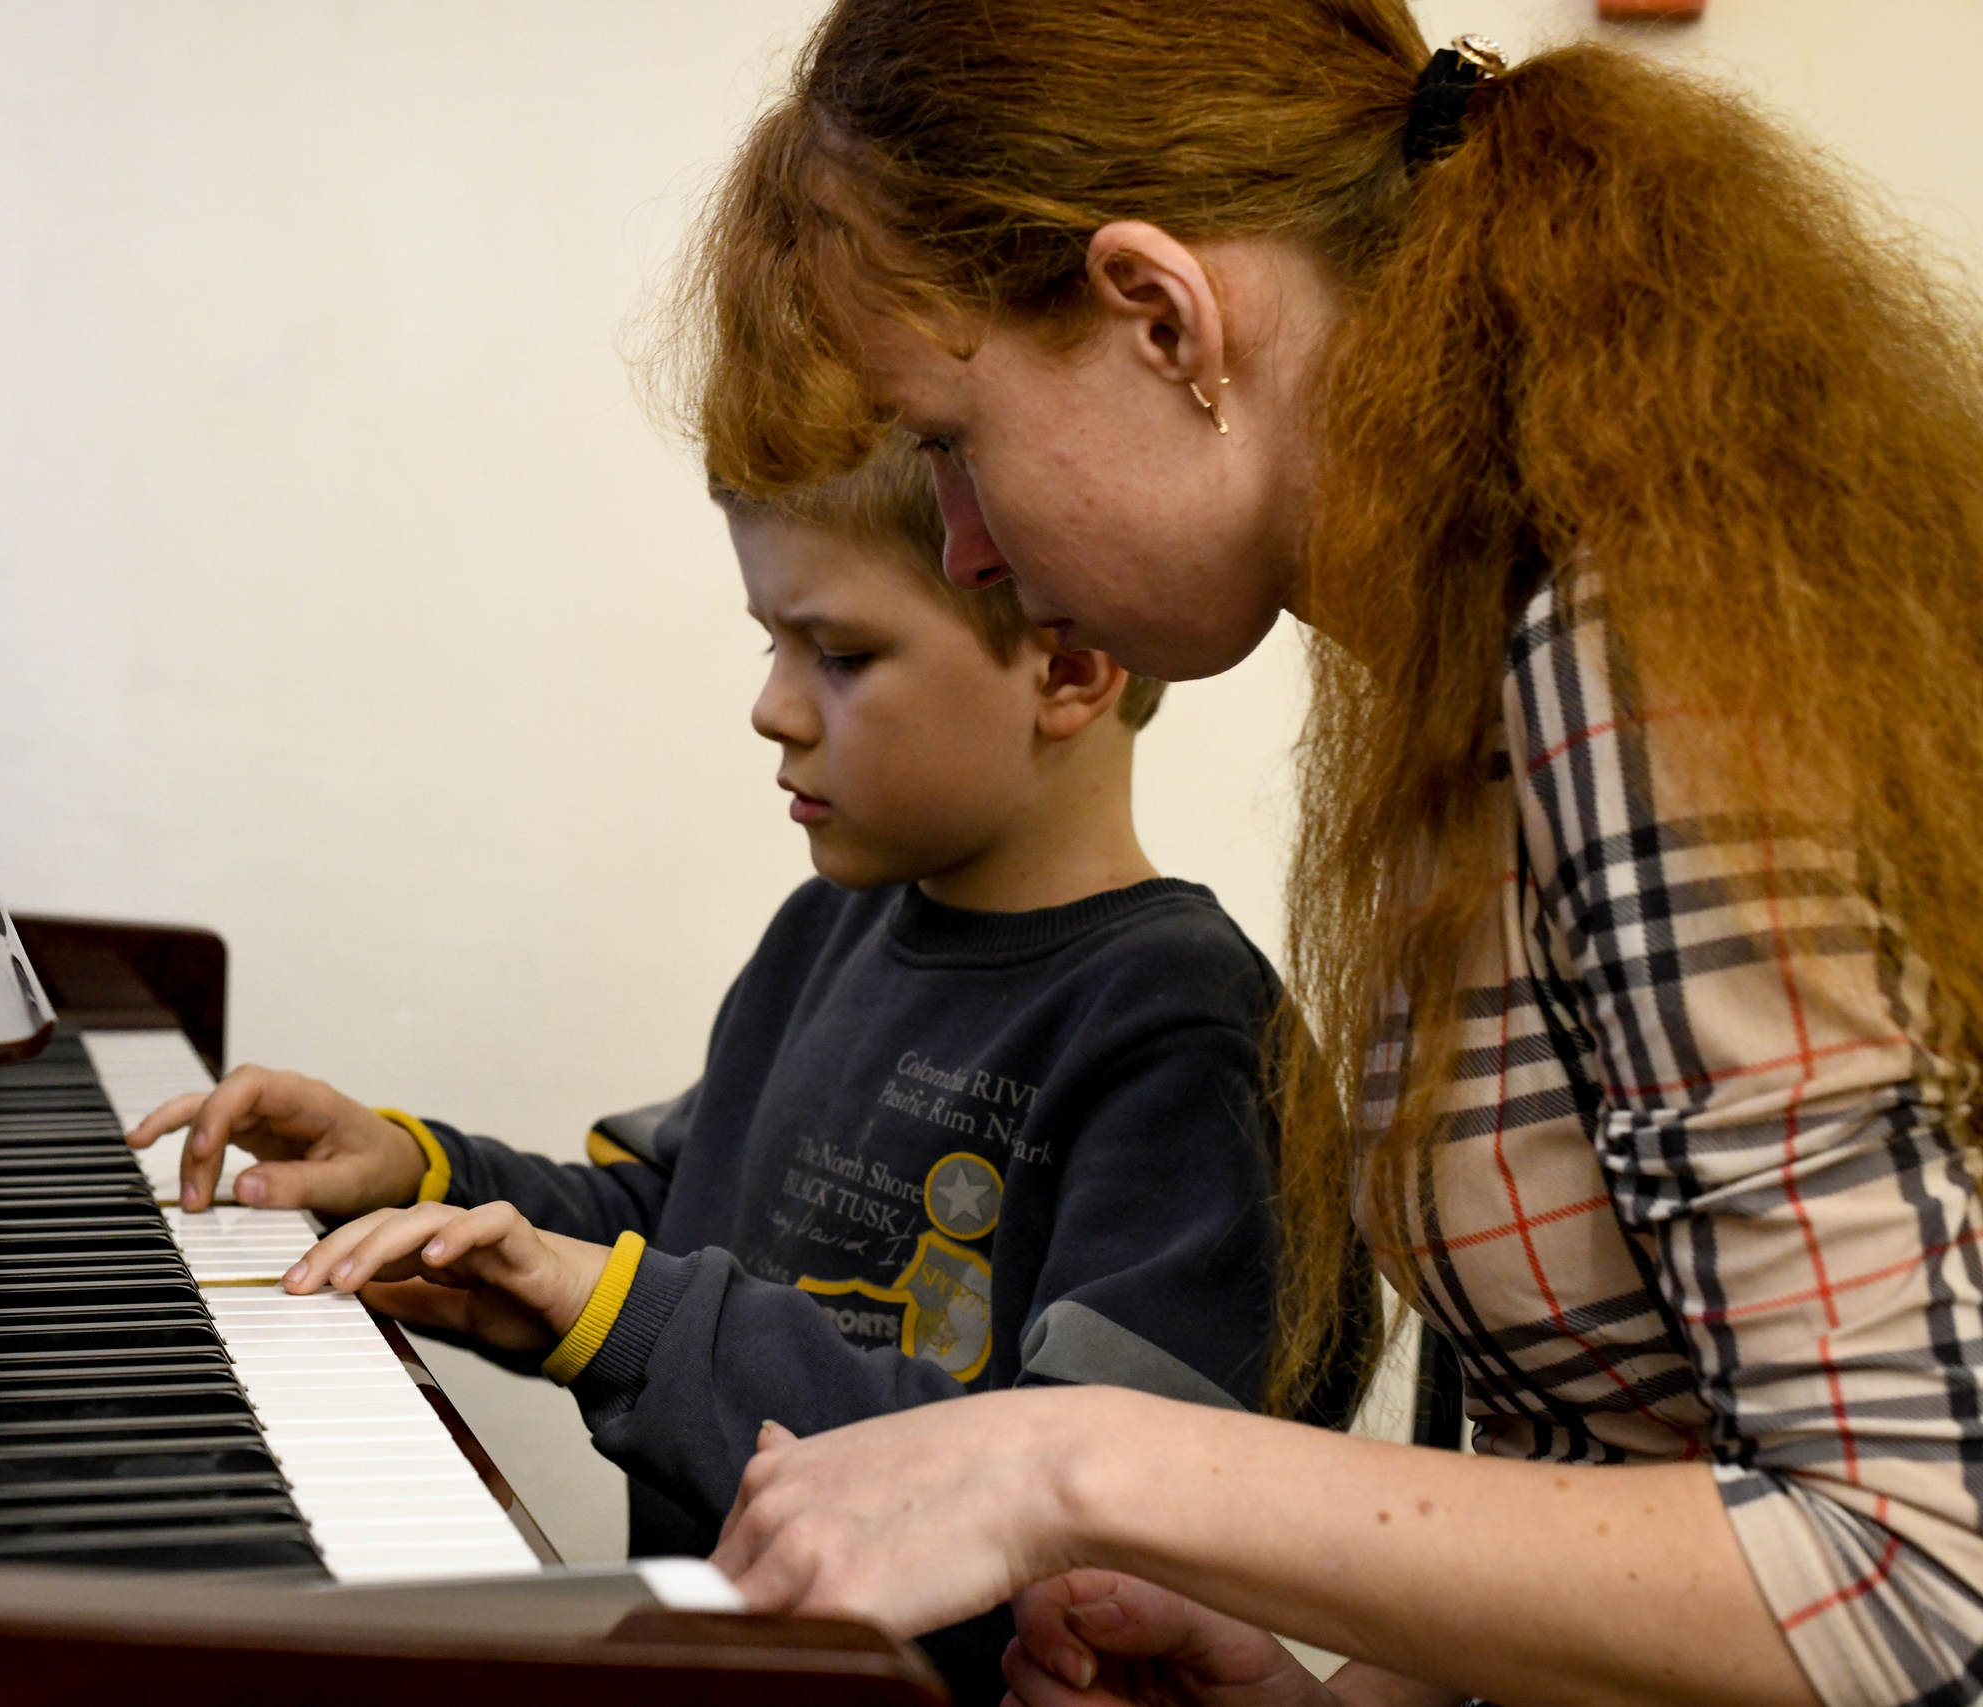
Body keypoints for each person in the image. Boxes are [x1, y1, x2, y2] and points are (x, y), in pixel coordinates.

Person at [677, 4, 1983, 1705]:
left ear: (1163, 316)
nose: (972, 547)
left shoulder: (1637, 657)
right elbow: (1629, 1456)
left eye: (949, 442)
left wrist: (1061, 1465)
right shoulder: (1456, 666)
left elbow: (1913, 1576)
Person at [128, 444, 1296, 1701]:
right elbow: (669, 1229)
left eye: (838, 654)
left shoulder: (1182, 1030)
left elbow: (1101, 1502)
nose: (774, 709)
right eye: (770, 647)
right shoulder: (828, 931)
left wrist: (624, 1315)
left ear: (1067, 672)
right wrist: (421, 1176)